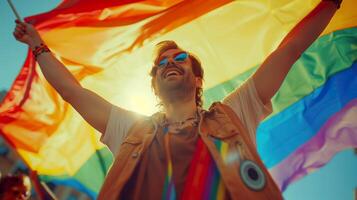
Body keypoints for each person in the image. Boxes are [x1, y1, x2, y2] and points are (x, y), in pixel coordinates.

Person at [13, 0, 342, 199]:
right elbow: (74, 92)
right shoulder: (129, 128)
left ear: (198, 79)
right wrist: (38, 45)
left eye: (180, 57)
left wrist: (331, 4)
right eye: (161, 64)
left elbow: (288, 52)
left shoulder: (235, 111)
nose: (169, 62)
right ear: (155, 85)